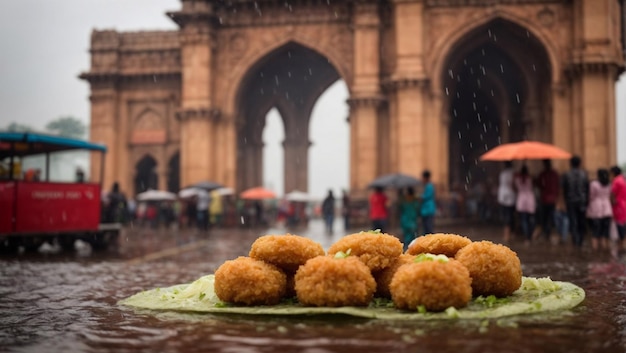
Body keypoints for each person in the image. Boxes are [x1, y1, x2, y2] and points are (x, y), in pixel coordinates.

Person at [562, 155, 589, 247]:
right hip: (582, 201)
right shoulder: (584, 174)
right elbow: (587, 189)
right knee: (581, 221)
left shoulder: (566, 174)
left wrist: (565, 201)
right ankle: (580, 240)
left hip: (571, 201)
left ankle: (575, 240)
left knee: (573, 221)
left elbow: (564, 190)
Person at [533, 159, 560, 241]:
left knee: (545, 218)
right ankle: (548, 233)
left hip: (545, 199)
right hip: (551, 199)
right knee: (549, 218)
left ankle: (546, 233)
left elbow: (539, 185)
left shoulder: (543, 174)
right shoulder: (554, 174)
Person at [587, 169, 613, 251]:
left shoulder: (594, 184)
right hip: (607, 209)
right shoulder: (609, 184)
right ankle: (605, 249)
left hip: (596, 209)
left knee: (595, 232)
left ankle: (595, 250)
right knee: (605, 232)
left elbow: (591, 196)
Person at [514, 165, 536, 244]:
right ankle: (530, 235)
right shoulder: (530, 178)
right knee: (531, 220)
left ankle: (527, 237)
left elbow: (515, 188)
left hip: (521, 200)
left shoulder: (517, 179)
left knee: (524, 220)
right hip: (530, 200)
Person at [497, 161, 516, 242]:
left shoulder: (503, 174)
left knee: (506, 215)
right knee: (510, 215)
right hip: (511, 196)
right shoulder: (513, 173)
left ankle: (507, 234)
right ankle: (510, 234)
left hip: (502, 196)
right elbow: (513, 185)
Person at [610, 166, 626, 246]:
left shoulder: (616, 181)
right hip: (623, 204)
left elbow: (613, 194)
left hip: (618, 205)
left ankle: (621, 243)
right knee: (622, 223)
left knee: (619, 224)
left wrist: (612, 203)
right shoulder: (623, 179)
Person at [420, 170, 436, 235]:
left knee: (428, 228)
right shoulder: (427, 186)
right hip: (426, 210)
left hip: (428, 210)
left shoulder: (429, 186)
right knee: (426, 228)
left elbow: (427, 196)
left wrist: (420, 197)